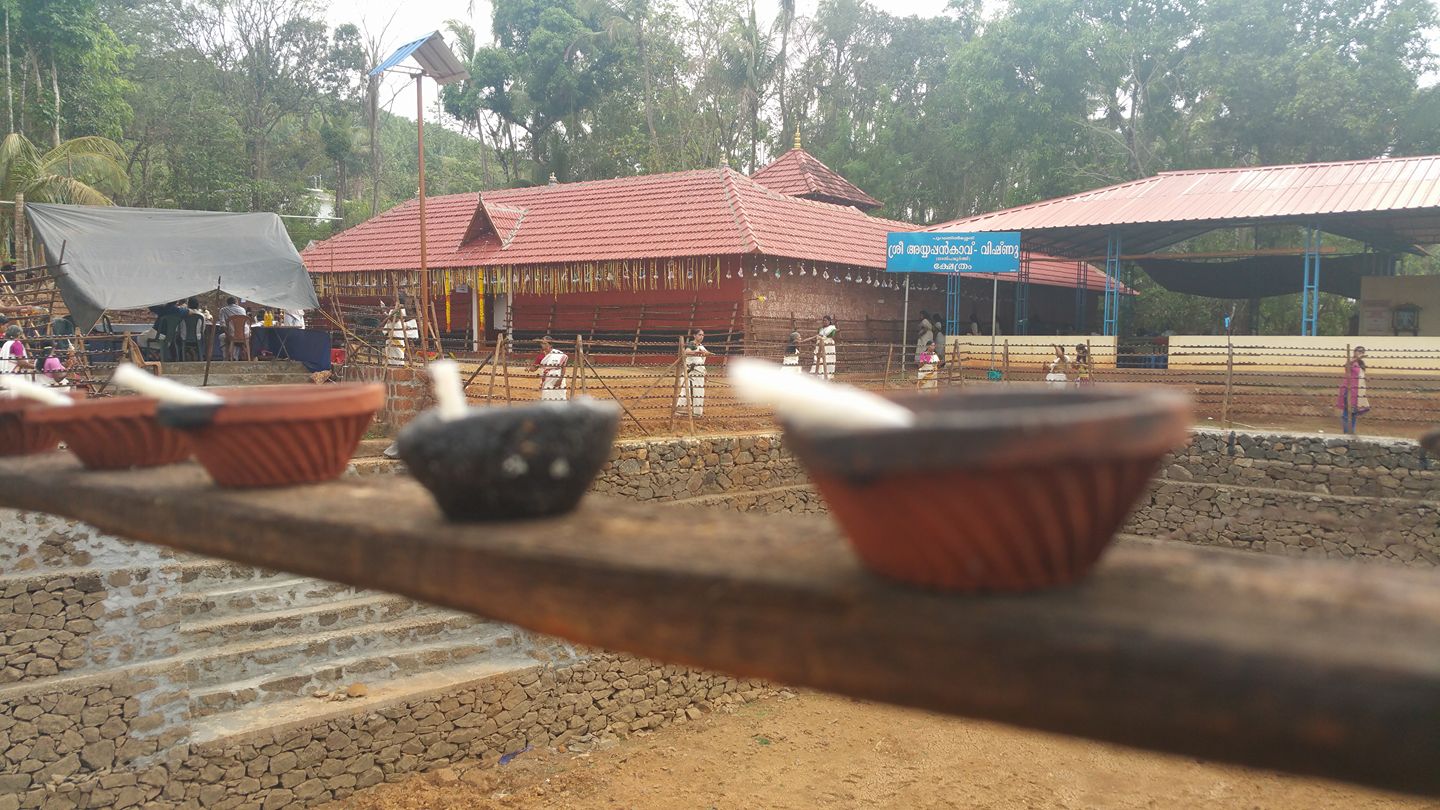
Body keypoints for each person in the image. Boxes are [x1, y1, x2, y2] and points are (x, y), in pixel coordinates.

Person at [676, 329, 711, 415]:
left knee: (699, 391)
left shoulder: (701, 346)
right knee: (687, 390)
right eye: (699, 335)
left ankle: (696, 412)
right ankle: (682, 409)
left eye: (703, 335)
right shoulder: (692, 344)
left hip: (699, 373)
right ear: (694, 335)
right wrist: (698, 352)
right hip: (691, 372)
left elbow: (701, 362)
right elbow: (686, 352)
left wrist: (705, 372)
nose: (701, 337)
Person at [1337, 346, 1370, 434]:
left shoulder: (1361, 363)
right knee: (1346, 412)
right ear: (1354, 352)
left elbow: (1359, 375)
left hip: (1358, 391)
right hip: (1349, 389)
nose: (1360, 353)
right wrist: (1356, 359)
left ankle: (1352, 432)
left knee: (1355, 412)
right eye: (1358, 351)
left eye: (1362, 351)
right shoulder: (1351, 362)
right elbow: (1346, 366)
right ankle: (1346, 432)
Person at [534, 336, 569, 402]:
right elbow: (534, 367)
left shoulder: (558, 354)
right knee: (547, 396)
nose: (542, 345)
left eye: (545, 343)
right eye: (542, 343)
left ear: (550, 345)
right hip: (547, 379)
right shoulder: (541, 355)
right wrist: (530, 368)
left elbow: (563, 367)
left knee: (559, 397)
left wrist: (560, 379)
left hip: (557, 378)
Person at [811, 315, 838, 379]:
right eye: (823, 320)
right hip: (820, 344)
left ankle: (827, 374)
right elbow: (817, 335)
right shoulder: (820, 329)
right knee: (818, 358)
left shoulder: (832, 328)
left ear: (829, 321)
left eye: (825, 320)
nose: (824, 322)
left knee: (828, 358)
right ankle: (817, 373)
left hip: (828, 345)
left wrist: (824, 337)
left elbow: (832, 336)